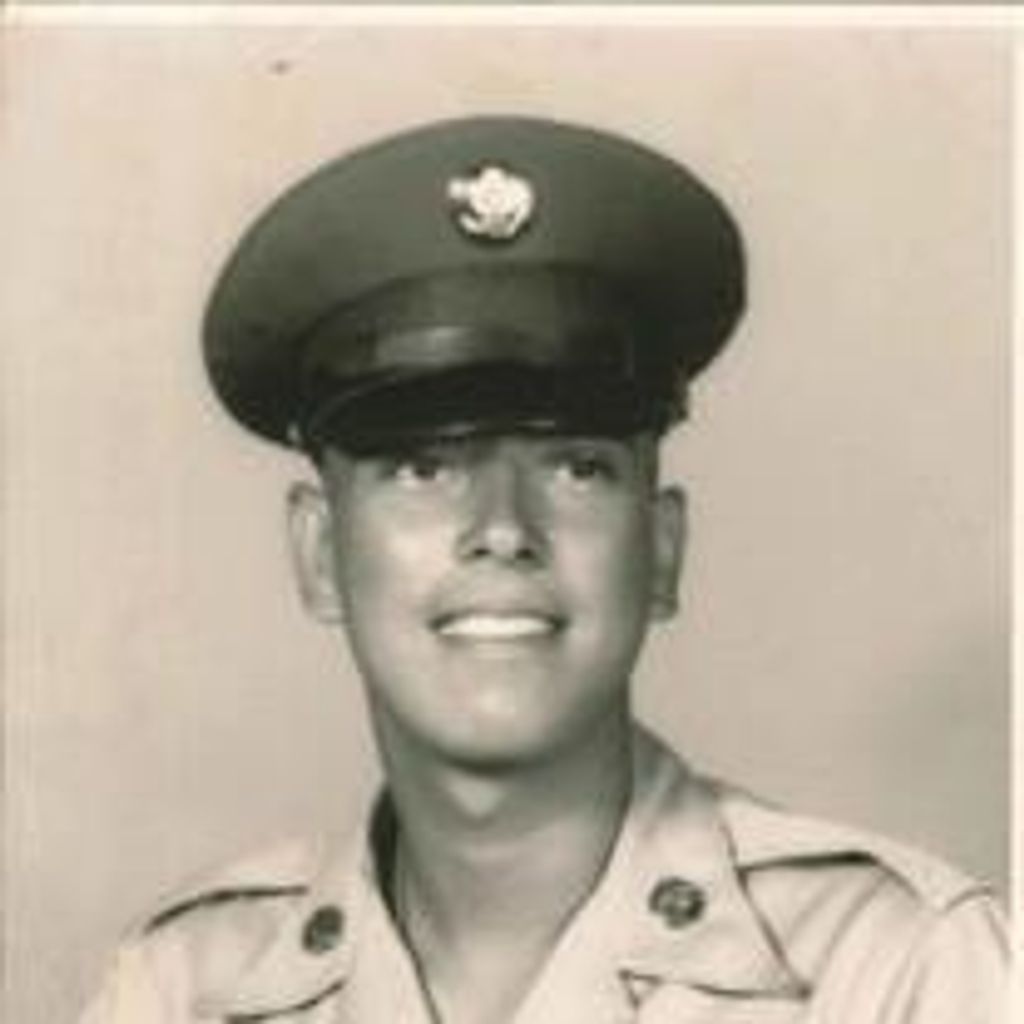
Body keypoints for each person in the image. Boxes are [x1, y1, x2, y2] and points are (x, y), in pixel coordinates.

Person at [79, 116, 1008, 1024]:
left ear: (661, 550)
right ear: (320, 555)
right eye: (423, 469)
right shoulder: (185, 991)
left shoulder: (897, 972)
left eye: (577, 468)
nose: (502, 529)